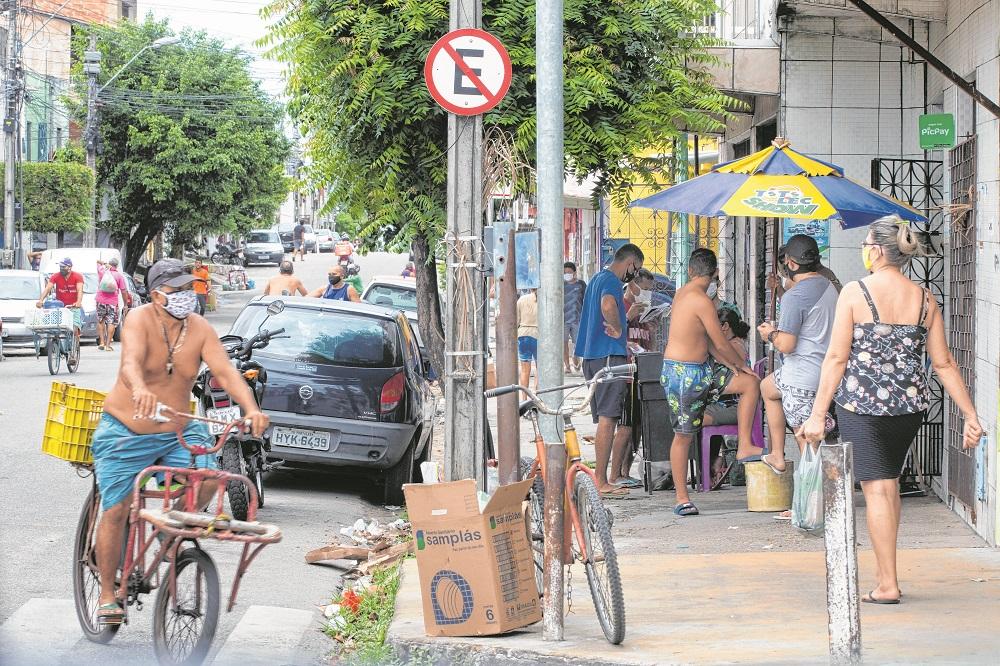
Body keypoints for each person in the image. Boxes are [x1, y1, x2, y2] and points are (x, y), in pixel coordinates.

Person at [800, 215, 982, 604]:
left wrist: (817, 414)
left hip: (862, 407)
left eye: (866, 244)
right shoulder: (925, 299)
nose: (864, 250)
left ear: (879, 251)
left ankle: (887, 584)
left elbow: (836, 358)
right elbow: (944, 364)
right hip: (908, 408)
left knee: (878, 489)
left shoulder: (855, 292)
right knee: (890, 484)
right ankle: (888, 577)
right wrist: (970, 414)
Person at [89, 258, 269, 624]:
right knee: (117, 509)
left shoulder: (199, 328)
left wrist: (251, 409)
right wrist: (139, 389)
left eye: (190, 288)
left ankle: (165, 529)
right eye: (179, 290)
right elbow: (130, 364)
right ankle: (108, 593)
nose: (188, 295)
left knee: (211, 478)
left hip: (177, 431)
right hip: (126, 430)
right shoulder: (138, 319)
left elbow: (225, 372)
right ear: (158, 295)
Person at [661, 248, 760, 516]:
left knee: (749, 384)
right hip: (683, 374)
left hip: (703, 369)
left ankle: (744, 446)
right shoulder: (700, 300)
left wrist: (735, 367)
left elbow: (708, 342)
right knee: (683, 435)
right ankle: (682, 498)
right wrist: (739, 363)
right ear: (716, 273)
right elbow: (720, 342)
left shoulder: (683, 293)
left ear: (690, 270)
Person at [756, 235, 839, 480]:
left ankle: (812, 500)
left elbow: (787, 345)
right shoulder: (828, 285)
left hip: (801, 378)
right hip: (826, 373)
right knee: (767, 387)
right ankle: (777, 454)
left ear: (791, 263)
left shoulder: (796, 296)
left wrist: (770, 334)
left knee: (808, 446)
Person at [575, 243, 645, 498]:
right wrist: (617, 327)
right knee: (608, 419)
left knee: (605, 419)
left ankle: (602, 478)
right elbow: (607, 306)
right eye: (636, 270)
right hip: (607, 357)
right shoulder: (612, 281)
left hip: (593, 356)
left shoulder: (597, 278)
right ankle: (602, 481)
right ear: (630, 263)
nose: (634, 275)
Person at [701, 306, 751, 488]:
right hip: (726, 405)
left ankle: (708, 469)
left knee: (695, 420)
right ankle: (710, 465)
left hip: (734, 407)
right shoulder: (733, 344)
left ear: (724, 326)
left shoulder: (734, 346)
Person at [36, 257, 84, 343]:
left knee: (75, 328)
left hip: (73, 306)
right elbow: (48, 288)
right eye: (60, 267)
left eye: (64, 267)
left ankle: (75, 345)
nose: (61, 268)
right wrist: (41, 300)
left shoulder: (77, 276)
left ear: (70, 267)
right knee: (56, 328)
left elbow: (80, 290)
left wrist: (78, 302)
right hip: (60, 307)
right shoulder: (56, 276)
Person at [767, 243, 842, 297]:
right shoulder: (792, 281)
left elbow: (793, 306)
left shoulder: (818, 274)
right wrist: (778, 288)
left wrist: (779, 289)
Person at [95, 258, 131, 352]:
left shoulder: (102, 271)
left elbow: (98, 262)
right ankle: (108, 345)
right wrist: (125, 304)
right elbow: (124, 291)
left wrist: (104, 263)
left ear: (109, 264)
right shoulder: (119, 276)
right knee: (111, 322)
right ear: (117, 266)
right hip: (112, 302)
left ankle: (101, 342)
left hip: (100, 300)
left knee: (100, 320)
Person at [563, 262, 587, 374]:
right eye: (564, 272)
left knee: (577, 343)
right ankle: (567, 366)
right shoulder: (561, 285)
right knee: (563, 344)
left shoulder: (581, 284)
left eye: (569, 272)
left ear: (574, 272)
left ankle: (576, 360)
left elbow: (586, 300)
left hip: (578, 320)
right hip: (563, 320)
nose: (567, 274)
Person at [516, 289, 538, 390]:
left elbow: (517, 320)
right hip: (537, 335)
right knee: (539, 369)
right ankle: (537, 394)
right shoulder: (543, 300)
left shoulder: (522, 299)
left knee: (524, 370)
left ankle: (524, 397)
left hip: (523, 336)